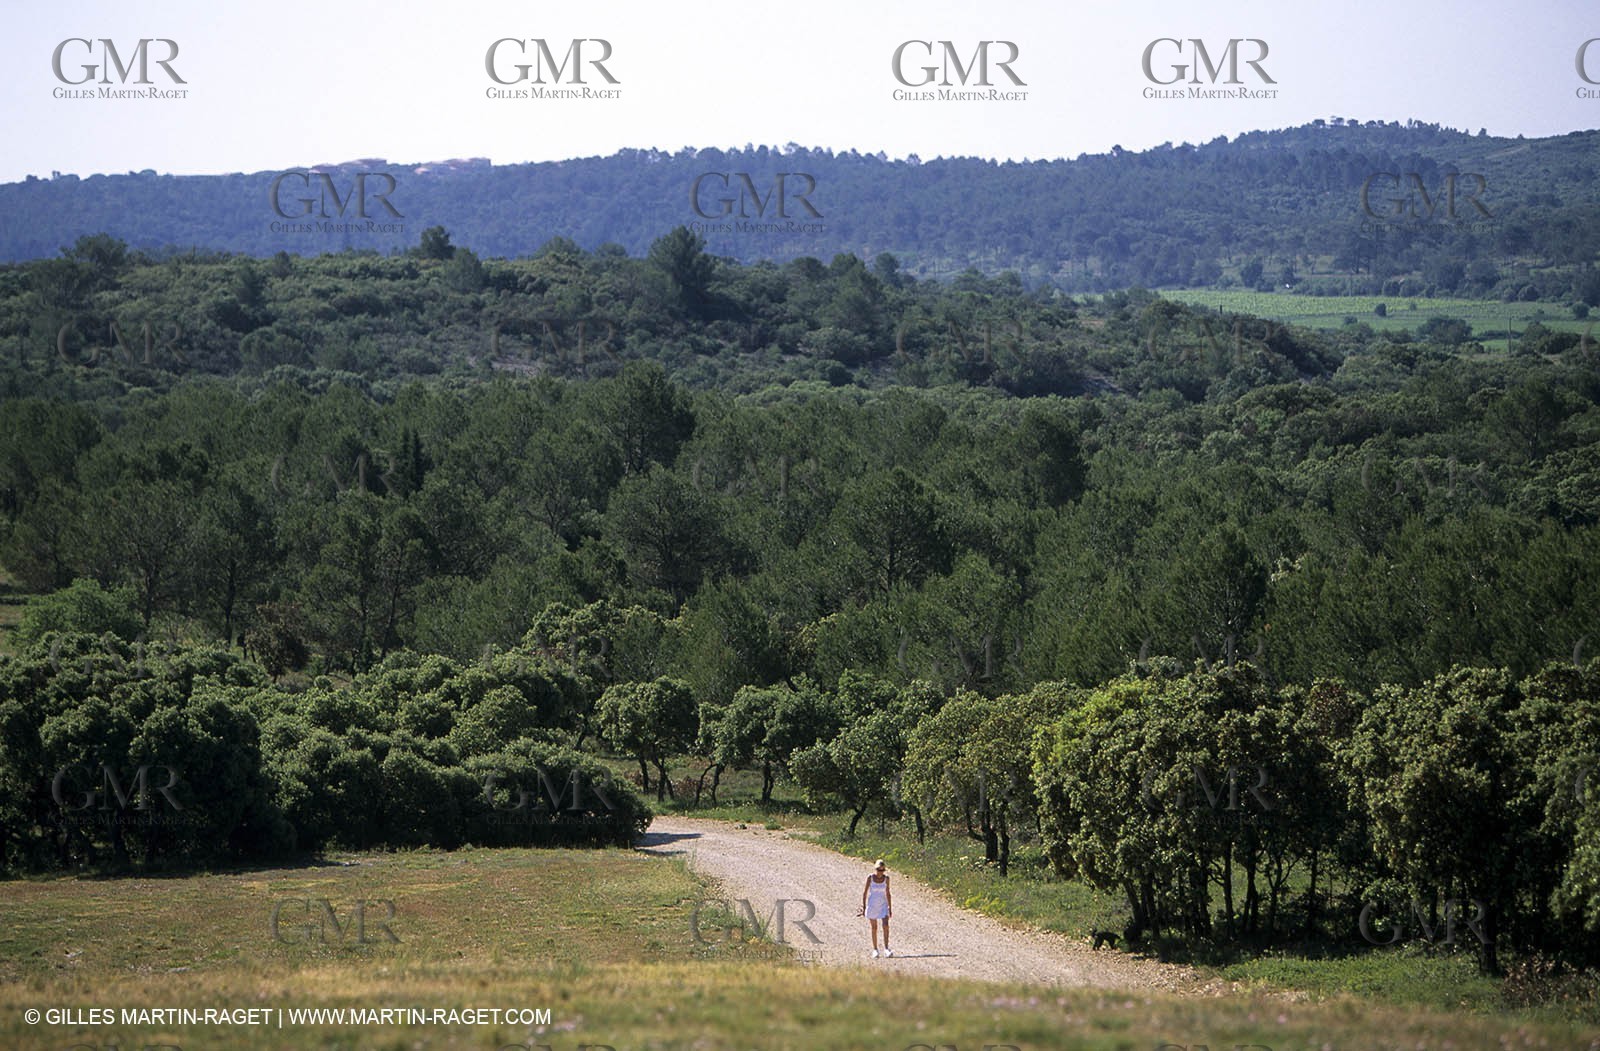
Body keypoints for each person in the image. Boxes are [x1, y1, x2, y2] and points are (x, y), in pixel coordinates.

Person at [860, 858, 892, 957]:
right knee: (874, 927)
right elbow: (865, 892)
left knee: (885, 925)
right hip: (873, 904)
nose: (880, 872)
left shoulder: (886, 879)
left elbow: (888, 893)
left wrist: (890, 907)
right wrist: (864, 907)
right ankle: (875, 949)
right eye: (879, 870)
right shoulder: (870, 878)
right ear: (875, 869)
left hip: (883, 904)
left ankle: (886, 948)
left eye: (882, 870)